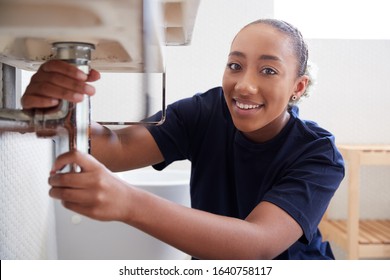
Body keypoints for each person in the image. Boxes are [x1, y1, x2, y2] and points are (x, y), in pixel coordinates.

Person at [21, 19, 344, 260]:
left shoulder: (318, 154)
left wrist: (129, 202)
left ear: (298, 87)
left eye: (269, 71)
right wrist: (58, 106)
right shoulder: (206, 112)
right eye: (235, 65)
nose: (244, 85)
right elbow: (114, 148)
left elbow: (257, 244)